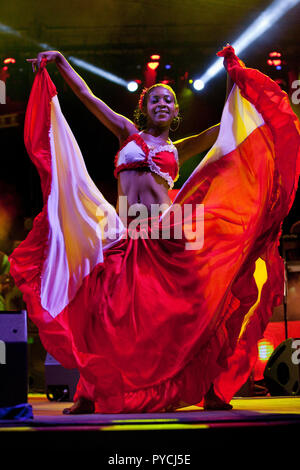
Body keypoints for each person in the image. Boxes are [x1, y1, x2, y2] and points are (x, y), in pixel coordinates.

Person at [9, 45, 300, 414]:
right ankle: (91, 393)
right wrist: (62, 63)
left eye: (169, 101)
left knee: (199, 311)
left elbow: (229, 124)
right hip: (129, 239)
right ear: (143, 108)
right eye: (155, 100)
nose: (162, 104)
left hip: (168, 240)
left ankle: (210, 387)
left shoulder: (180, 148)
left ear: (176, 111)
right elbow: (87, 96)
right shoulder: (127, 133)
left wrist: (232, 72)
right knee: (104, 314)